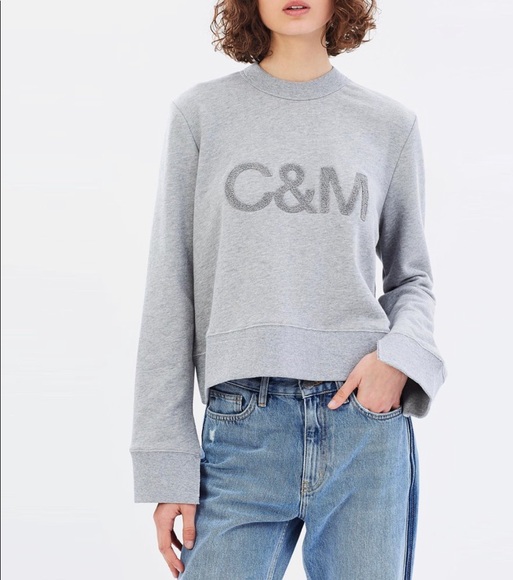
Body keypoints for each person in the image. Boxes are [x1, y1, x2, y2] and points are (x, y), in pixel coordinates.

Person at [129, 1, 448, 578]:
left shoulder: (388, 124)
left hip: (364, 426)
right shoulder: (202, 115)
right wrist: (167, 465)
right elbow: (170, 287)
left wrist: (397, 361)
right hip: (241, 426)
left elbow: (412, 277)